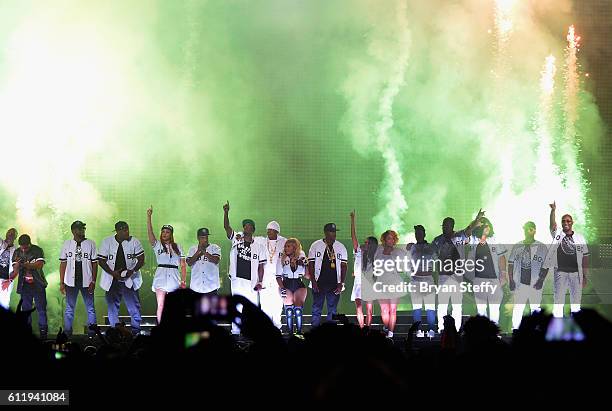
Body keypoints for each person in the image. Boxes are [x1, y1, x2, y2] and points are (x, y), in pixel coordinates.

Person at [432, 210, 483, 332]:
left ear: (452, 226)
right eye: (443, 225)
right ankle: (441, 329)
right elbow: (432, 255)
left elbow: (469, 230)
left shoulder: (459, 236)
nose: (445, 227)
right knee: (442, 305)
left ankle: (456, 329)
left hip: (457, 275)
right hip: (443, 275)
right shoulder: (437, 240)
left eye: (447, 225)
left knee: (456, 305)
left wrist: (477, 219)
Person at [223, 201, 266, 335]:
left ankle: (251, 330)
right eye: (245, 226)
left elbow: (261, 266)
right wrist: (226, 212)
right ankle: (235, 331)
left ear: (253, 229)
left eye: (249, 226)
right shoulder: (237, 239)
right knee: (237, 306)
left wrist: (260, 281)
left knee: (252, 307)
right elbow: (226, 227)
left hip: (252, 281)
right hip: (237, 279)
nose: (246, 228)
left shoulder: (259, 247)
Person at [98, 221, 146, 335]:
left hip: (129, 278)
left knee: (134, 305)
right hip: (112, 279)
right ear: (118, 231)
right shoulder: (106, 241)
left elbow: (141, 259)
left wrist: (132, 271)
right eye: (124, 230)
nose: (127, 232)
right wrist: (112, 272)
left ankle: (136, 331)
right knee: (112, 306)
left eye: (127, 229)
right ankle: (115, 331)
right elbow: (101, 260)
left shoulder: (134, 241)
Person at [543, 201, 589, 318]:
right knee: (558, 301)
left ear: (572, 222)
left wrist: (584, 275)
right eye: (563, 221)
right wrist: (553, 211)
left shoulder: (579, 237)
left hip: (576, 274)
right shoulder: (558, 234)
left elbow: (585, 257)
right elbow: (552, 224)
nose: (565, 222)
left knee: (576, 302)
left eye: (568, 220)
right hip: (560, 272)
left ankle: (575, 328)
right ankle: (558, 329)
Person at [147, 206, 187, 323]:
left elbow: (183, 265)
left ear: (171, 234)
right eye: (163, 232)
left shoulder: (178, 246)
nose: (165, 234)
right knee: (161, 305)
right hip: (160, 277)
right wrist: (149, 217)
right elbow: (150, 233)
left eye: (167, 232)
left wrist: (183, 281)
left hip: (174, 277)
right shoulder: (157, 245)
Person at [59, 221, 98, 337]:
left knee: (90, 308)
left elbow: (95, 263)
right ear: (73, 231)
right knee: (69, 308)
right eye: (80, 229)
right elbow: (63, 263)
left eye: (83, 229)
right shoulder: (67, 244)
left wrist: (94, 280)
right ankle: (67, 333)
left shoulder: (91, 243)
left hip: (87, 281)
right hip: (70, 282)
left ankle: (92, 333)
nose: (82, 231)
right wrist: (61, 282)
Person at [508, 221, 549, 330]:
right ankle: (515, 330)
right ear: (524, 229)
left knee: (535, 308)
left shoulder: (542, 247)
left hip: (535, 283)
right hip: (520, 283)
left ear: (535, 230)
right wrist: (511, 280)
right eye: (526, 228)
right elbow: (510, 263)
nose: (528, 230)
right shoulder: (517, 246)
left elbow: (546, 266)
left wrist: (541, 280)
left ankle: (537, 330)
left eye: (531, 228)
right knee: (518, 308)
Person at [467, 217, 507, 325]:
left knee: (494, 308)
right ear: (479, 227)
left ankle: (494, 333)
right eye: (485, 225)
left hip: (494, 279)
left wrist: (503, 274)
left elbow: (501, 257)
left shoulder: (494, 239)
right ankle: (482, 333)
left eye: (489, 225)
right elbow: (467, 232)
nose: (488, 227)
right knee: (481, 309)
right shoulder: (473, 240)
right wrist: (476, 221)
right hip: (478, 279)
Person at [308, 223, 348, 328]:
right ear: (325, 232)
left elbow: (344, 266)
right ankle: (314, 330)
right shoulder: (315, 245)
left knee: (333, 309)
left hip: (334, 284)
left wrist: (341, 283)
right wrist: (313, 282)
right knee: (317, 308)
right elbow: (311, 264)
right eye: (331, 231)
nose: (334, 234)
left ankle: (331, 332)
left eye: (334, 231)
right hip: (319, 282)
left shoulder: (341, 247)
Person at [373, 230, 408, 338]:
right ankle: (387, 327)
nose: (391, 240)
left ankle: (391, 333)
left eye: (393, 238)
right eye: (389, 238)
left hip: (395, 283)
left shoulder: (399, 252)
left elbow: (408, 262)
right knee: (384, 310)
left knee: (393, 310)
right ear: (384, 239)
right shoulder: (378, 251)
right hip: (381, 283)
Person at [12, 234, 47, 339]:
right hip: (24, 285)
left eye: (26, 247)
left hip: (37, 284)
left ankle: (43, 334)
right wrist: (17, 266)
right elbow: (15, 269)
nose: (24, 249)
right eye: (22, 247)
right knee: (26, 311)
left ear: (30, 244)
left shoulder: (37, 250)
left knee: (41, 309)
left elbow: (40, 264)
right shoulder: (17, 252)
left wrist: (28, 265)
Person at [407, 225, 437, 338]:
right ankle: (418, 330)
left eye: (420, 233)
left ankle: (431, 330)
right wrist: (412, 273)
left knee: (430, 308)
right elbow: (408, 263)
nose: (418, 235)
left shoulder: (431, 247)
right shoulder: (411, 248)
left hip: (428, 280)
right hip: (415, 281)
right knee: (417, 308)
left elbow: (437, 262)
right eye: (416, 233)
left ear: (424, 234)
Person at [349, 210, 377, 328]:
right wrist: (352, 220)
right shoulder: (359, 252)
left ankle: (368, 329)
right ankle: (361, 329)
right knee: (359, 308)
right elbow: (353, 237)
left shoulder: (375, 256)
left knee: (369, 309)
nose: (364, 244)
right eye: (365, 242)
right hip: (358, 283)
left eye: (367, 242)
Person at [275, 238, 308, 335]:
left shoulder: (301, 256)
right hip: (286, 284)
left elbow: (307, 276)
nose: (285, 248)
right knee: (289, 310)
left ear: (294, 248)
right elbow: (278, 276)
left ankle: (299, 332)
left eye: (288, 246)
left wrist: (306, 265)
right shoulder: (282, 258)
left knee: (298, 310)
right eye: (285, 246)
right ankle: (290, 332)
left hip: (299, 283)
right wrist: (282, 288)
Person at [259, 221, 286, 330]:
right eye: (268, 230)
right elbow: (248, 237)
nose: (268, 232)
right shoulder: (261, 241)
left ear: (276, 231)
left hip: (278, 277)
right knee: (265, 303)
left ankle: (277, 327)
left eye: (271, 230)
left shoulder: (284, 241)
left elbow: (296, 248)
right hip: (265, 277)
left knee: (278, 302)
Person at [187, 228, 221, 296]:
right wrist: (198, 252)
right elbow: (189, 263)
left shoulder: (215, 247)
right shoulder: (192, 249)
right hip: (196, 287)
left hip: (211, 287)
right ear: (198, 238)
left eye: (206, 237)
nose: (205, 239)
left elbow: (216, 260)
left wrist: (204, 252)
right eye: (202, 237)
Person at [0, 228, 18, 310]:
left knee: (4, 304)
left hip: (6, 280)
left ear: (15, 237)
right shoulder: (1, 243)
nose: (10, 234)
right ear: (6, 233)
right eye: (9, 232)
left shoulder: (16, 251)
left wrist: (9, 281)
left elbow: (16, 269)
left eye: (13, 233)